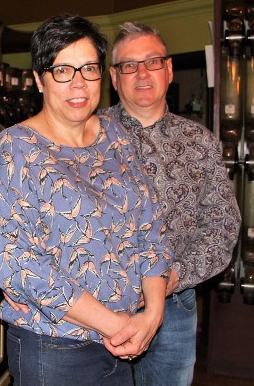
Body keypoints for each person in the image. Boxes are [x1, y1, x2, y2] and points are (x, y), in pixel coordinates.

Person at [0, 14, 172, 386]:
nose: (78, 84)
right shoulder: (18, 146)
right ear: (40, 79)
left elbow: (150, 226)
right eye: (62, 71)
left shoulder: (117, 135)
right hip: (57, 350)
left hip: (130, 336)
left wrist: (154, 312)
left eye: (89, 69)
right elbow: (19, 262)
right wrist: (117, 326)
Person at [100, 21, 241, 385]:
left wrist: (170, 279)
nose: (141, 73)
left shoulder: (200, 142)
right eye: (128, 65)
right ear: (114, 78)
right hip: (99, 308)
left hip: (175, 309)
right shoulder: (86, 138)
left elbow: (222, 225)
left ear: (169, 69)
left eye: (152, 62)